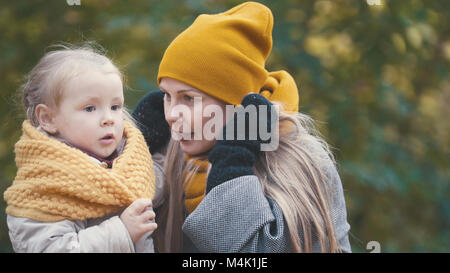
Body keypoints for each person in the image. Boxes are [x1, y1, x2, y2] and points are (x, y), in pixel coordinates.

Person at [133, 2, 351, 252]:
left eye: (188, 98)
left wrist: (231, 167)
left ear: (235, 103)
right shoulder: (170, 153)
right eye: (167, 96)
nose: (171, 114)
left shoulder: (302, 161)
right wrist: (131, 148)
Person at [3, 44, 158, 253]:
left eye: (115, 107)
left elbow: (162, 180)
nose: (108, 119)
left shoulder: (132, 161)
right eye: (90, 108)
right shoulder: (42, 186)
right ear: (48, 119)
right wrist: (122, 232)